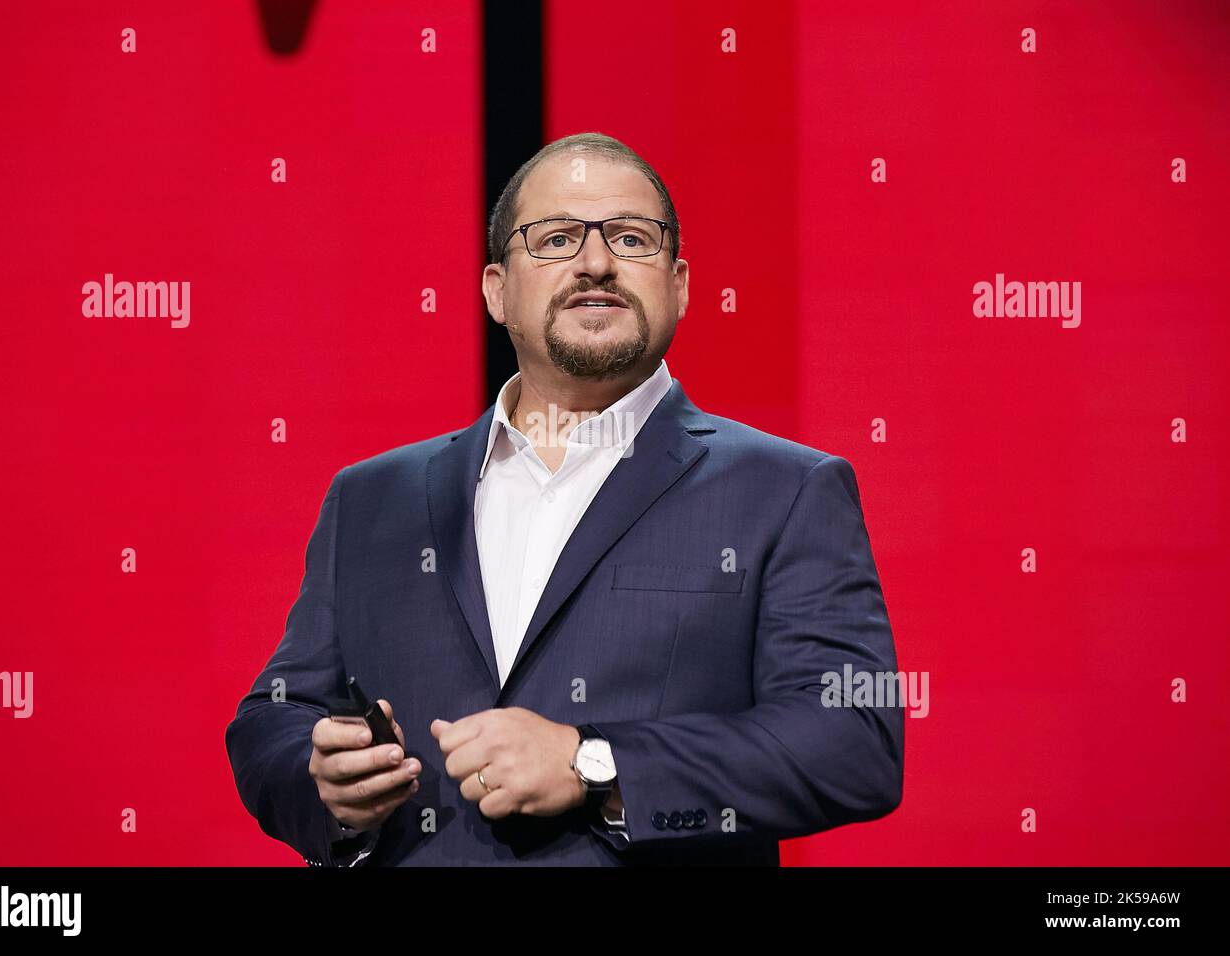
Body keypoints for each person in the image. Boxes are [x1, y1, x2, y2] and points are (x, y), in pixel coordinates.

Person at [224, 132, 904, 866]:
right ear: (496, 291)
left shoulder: (786, 489)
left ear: (679, 285)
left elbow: (855, 736)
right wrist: (323, 778)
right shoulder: (371, 499)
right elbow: (277, 712)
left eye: (631, 237)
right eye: (554, 239)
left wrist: (594, 764)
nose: (595, 263)